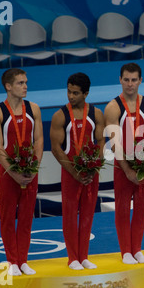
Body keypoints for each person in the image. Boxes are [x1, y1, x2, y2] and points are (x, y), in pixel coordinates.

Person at [0, 68, 44, 275]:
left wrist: (34, 168)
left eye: (26, 82)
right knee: (9, 217)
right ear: (8, 86)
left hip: (30, 171)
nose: (25, 86)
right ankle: (12, 261)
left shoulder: (34, 109)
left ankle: (23, 260)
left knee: (27, 217)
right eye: (20, 83)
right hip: (8, 174)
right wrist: (13, 172)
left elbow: (38, 140)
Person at [104, 63, 144, 264]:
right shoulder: (112, 107)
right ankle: (125, 251)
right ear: (120, 80)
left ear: (140, 81)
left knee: (142, 208)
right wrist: (127, 170)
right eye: (126, 79)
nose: (130, 84)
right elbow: (114, 142)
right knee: (123, 207)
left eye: (134, 80)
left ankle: (137, 249)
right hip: (123, 165)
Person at [50, 73, 105, 270]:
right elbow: (56, 148)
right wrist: (75, 172)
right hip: (70, 171)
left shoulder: (96, 114)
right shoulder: (60, 116)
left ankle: (84, 256)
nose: (70, 96)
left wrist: (94, 166)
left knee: (88, 213)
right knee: (70, 214)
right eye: (68, 91)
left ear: (86, 93)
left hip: (90, 171)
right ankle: (72, 257)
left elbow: (100, 141)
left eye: (75, 93)